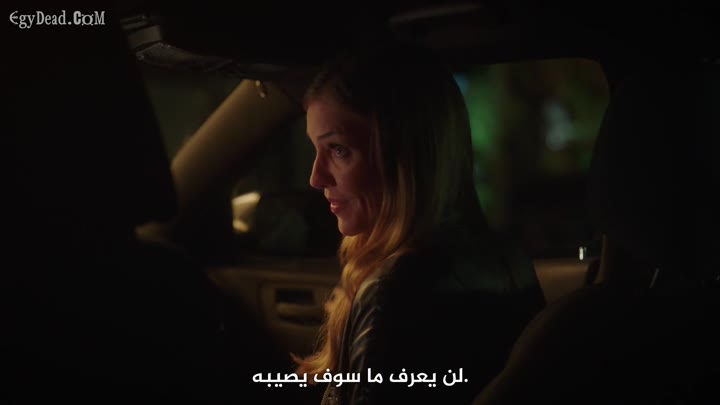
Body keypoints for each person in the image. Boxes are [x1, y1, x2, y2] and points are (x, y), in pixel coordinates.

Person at [293, 40, 546, 404]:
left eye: (338, 150)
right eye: (316, 149)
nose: (316, 178)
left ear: (405, 158)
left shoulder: (392, 291)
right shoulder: (509, 262)